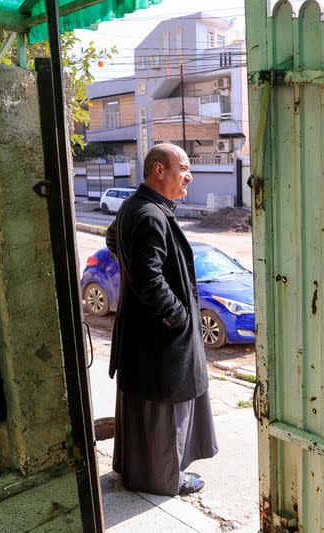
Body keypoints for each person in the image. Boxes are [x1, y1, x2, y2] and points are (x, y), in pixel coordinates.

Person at [106, 143, 217, 496]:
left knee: (148, 409)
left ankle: (140, 473)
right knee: (168, 413)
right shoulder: (151, 215)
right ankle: (168, 479)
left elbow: (113, 239)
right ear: (158, 170)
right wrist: (180, 318)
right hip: (161, 341)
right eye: (183, 167)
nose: (189, 176)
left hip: (144, 338)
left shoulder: (134, 207)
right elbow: (149, 280)